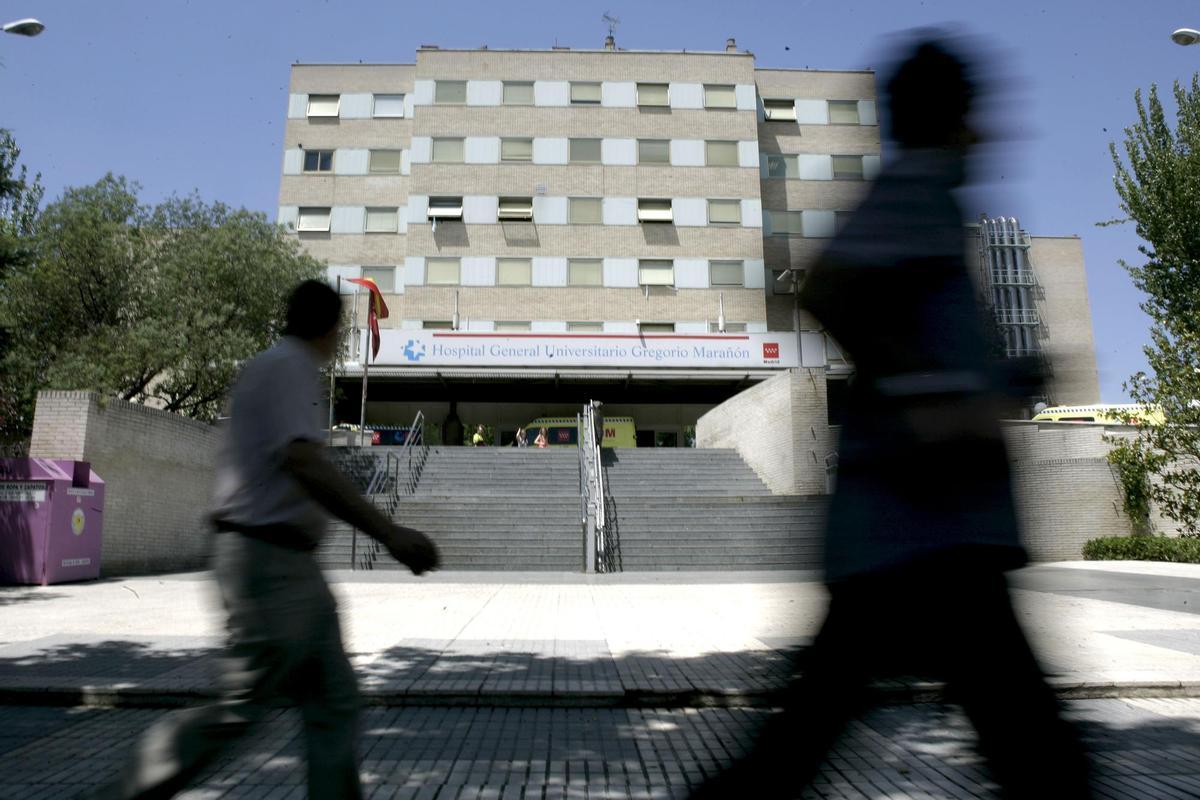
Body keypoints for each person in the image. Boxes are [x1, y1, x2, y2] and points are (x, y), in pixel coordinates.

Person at [690, 36, 1091, 799]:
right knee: (1042, 761)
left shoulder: (931, 199)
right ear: (955, 114)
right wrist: (930, 401)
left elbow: (915, 335)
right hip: (923, 532)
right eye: (979, 114)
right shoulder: (915, 186)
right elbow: (831, 287)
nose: (989, 134)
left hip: (922, 534)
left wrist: (1000, 380)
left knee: (797, 748)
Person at [94, 280, 440, 800]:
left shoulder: (278, 367)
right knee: (241, 704)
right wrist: (388, 532)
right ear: (330, 328)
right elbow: (303, 462)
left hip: (292, 563)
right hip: (268, 559)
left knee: (334, 701)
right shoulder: (290, 367)